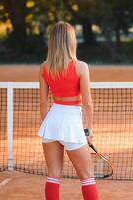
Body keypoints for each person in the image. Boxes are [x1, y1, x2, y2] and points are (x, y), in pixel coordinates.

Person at [38, 21, 99, 200]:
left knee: (53, 175)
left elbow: (43, 102)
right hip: (72, 123)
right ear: (71, 41)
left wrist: (49, 126)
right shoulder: (81, 66)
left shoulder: (44, 67)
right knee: (87, 177)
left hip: (52, 121)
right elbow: (88, 104)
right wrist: (88, 130)